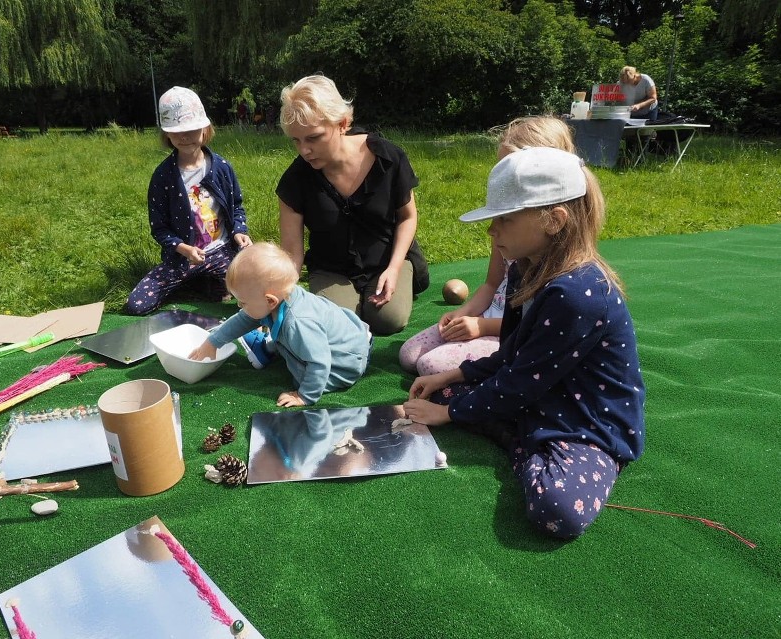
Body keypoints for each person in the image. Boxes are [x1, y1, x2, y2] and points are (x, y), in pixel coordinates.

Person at [402, 147, 645, 539]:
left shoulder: (577, 294)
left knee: (556, 508)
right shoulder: (523, 271)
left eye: (504, 219)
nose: (491, 230)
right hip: (539, 392)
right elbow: (512, 354)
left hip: (585, 421)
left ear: (554, 220)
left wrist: (449, 416)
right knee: (440, 390)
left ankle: (520, 438)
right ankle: (512, 426)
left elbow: (522, 379)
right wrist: (457, 372)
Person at [399, 116, 576, 376]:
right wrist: (465, 312)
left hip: (513, 334)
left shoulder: (549, 248)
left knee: (430, 365)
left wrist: (482, 327)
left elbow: (534, 323)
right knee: (409, 355)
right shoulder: (507, 231)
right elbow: (492, 284)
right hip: (486, 320)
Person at [276, 74, 429, 336]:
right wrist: (279, 295)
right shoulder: (295, 179)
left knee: (387, 320)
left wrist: (393, 269)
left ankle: (404, 276)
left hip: (387, 258)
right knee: (339, 324)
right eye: (296, 140)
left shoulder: (387, 158)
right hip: (332, 267)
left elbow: (407, 217)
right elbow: (292, 252)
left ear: (342, 124)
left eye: (313, 138)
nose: (304, 150)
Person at [189, 242, 372, 407]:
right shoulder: (281, 297)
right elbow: (244, 318)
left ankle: (271, 345)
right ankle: (273, 343)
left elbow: (319, 363)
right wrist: (213, 341)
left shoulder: (299, 324)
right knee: (263, 321)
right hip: (342, 337)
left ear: (270, 301)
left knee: (301, 375)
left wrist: (304, 396)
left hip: (342, 364)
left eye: (242, 302)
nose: (239, 306)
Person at [125, 86, 251, 315]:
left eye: (192, 129)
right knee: (137, 305)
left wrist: (239, 231)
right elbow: (159, 228)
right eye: (176, 131)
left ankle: (210, 283)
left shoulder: (221, 167)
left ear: (205, 129)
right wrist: (183, 249)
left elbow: (236, 207)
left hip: (221, 252)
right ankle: (198, 280)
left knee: (249, 290)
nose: (185, 137)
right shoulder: (163, 176)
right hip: (182, 258)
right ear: (167, 134)